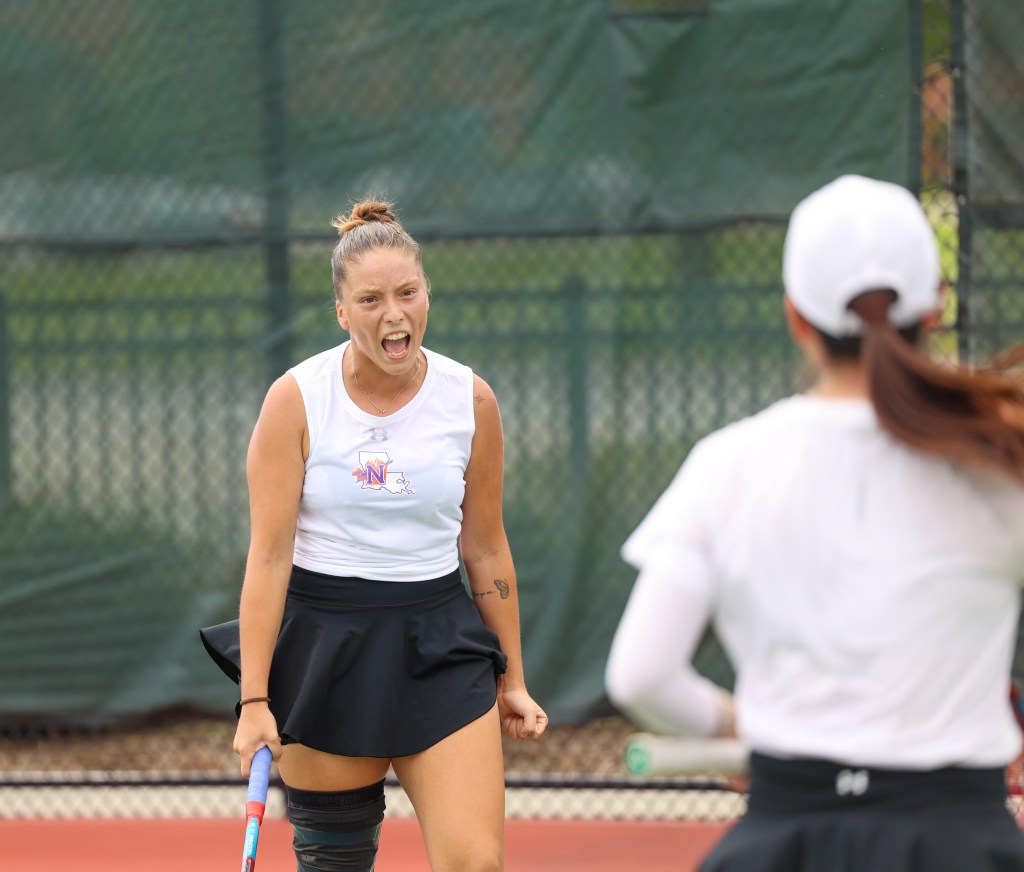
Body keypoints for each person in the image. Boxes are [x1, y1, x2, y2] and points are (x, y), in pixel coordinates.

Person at [605, 174, 1024, 871]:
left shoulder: (728, 464)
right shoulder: (1000, 463)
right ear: (936, 307)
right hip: (963, 844)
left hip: (784, 838)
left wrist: (737, 728)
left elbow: (641, 675)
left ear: (796, 316)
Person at [201, 197, 547, 872]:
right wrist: (254, 700)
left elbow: (485, 546)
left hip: (440, 641)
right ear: (340, 311)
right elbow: (269, 560)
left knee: (476, 864)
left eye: (408, 293)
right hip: (326, 642)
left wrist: (515, 680)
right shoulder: (295, 401)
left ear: (427, 295)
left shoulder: (470, 399)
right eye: (370, 300)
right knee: (335, 863)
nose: (394, 315)